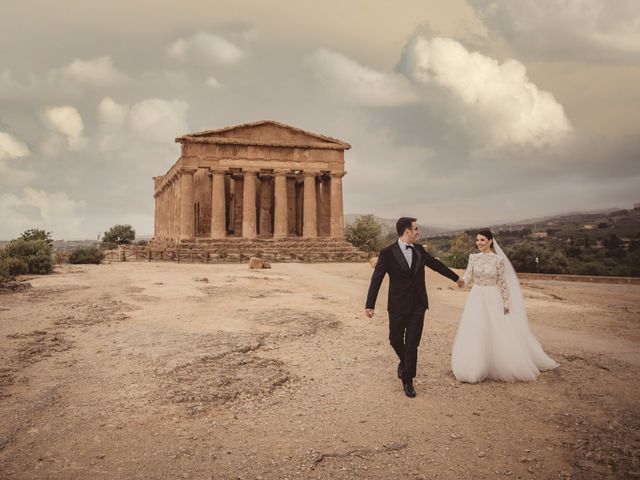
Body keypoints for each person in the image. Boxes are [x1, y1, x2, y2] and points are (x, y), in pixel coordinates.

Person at [365, 217, 464, 397]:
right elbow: (377, 278)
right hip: (397, 304)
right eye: (416, 229)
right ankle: (405, 362)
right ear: (407, 231)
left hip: (418, 304)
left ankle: (408, 380)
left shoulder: (419, 250)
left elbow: (436, 265)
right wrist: (369, 304)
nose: (419, 232)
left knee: (412, 344)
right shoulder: (388, 252)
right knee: (394, 339)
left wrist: (456, 277)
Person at [451, 230, 559, 383]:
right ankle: (475, 365)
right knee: (476, 329)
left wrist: (506, 302)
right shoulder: (473, 258)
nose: (479, 243)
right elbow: (468, 275)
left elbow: (502, 283)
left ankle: (498, 364)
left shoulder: (498, 260)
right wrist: (459, 281)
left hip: (493, 297)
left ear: (490, 241)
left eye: (482, 240)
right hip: (476, 296)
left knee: (496, 329)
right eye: (477, 240)